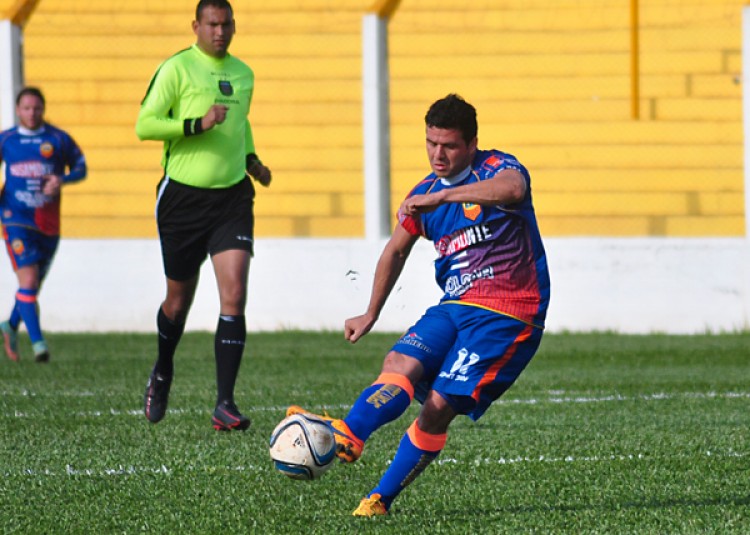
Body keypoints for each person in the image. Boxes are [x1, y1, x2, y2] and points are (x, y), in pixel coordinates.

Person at [287, 94, 550, 515]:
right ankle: (350, 433)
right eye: (431, 143)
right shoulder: (423, 194)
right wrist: (371, 312)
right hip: (455, 305)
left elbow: (514, 189)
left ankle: (380, 499)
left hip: (508, 312)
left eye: (449, 145)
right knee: (399, 362)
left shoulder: (497, 169)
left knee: (438, 407)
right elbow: (395, 250)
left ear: (472, 144)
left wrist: (446, 198)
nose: (438, 154)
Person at [135, 0, 272, 431]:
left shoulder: (243, 73)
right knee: (178, 302)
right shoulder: (177, 69)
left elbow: (240, 123)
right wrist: (196, 123)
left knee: (234, 293)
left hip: (232, 198)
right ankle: (163, 369)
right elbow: (145, 124)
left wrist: (251, 160)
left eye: (226, 24)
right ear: (196, 25)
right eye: (212, 24)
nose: (220, 32)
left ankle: (225, 403)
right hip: (182, 200)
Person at [0, 86, 87, 363]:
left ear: (43, 109)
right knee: (28, 280)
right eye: (26, 108)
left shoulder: (57, 139)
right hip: (15, 219)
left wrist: (62, 180)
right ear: (18, 110)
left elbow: (81, 167)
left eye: (36, 108)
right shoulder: (6, 139)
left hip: (48, 223)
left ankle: (9, 326)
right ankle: (39, 345)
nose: (32, 113)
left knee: (32, 287)